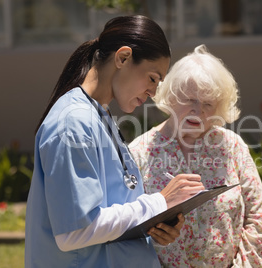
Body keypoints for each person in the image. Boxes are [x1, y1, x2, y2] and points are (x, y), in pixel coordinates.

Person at [25, 15, 204, 268]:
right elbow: (74, 232)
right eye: (152, 78)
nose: (153, 93)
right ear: (122, 58)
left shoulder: (99, 115)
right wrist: (158, 202)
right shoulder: (73, 123)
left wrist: (152, 226)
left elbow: (114, 215)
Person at [130, 45, 262, 267]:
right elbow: (126, 227)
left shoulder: (232, 147)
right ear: (171, 97)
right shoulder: (139, 152)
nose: (199, 111)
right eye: (190, 100)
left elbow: (259, 220)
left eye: (208, 103)